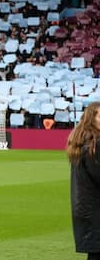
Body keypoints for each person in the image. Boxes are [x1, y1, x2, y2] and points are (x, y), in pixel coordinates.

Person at [68, 102, 100, 259]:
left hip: (84, 207)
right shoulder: (94, 144)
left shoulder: (81, 142)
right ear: (91, 119)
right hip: (95, 210)